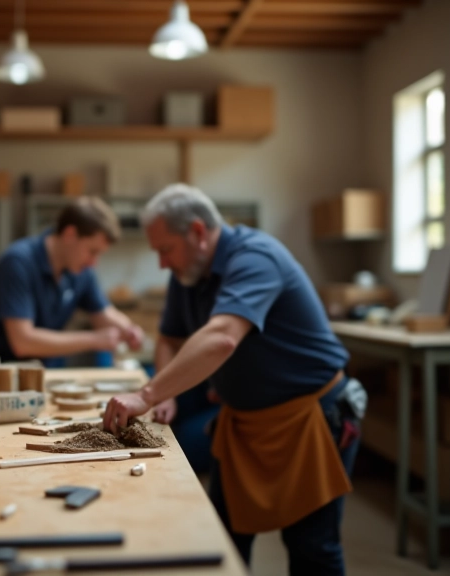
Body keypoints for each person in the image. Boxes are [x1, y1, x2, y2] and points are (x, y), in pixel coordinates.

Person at [104, 184, 364, 576]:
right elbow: (171, 338)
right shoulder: (187, 273)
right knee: (222, 537)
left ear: (197, 232)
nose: (161, 263)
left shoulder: (257, 257)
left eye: (165, 249)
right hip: (245, 424)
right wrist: (164, 393)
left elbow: (223, 335)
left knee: (312, 548)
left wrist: (146, 394)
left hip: (310, 418)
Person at [0, 196, 143, 367]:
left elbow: (103, 314)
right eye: (92, 251)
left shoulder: (80, 270)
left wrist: (128, 329)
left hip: (40, 372)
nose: (93, 262)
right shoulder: (18, 262)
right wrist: (95, 339)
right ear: (70, 234)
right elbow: (23, 342)